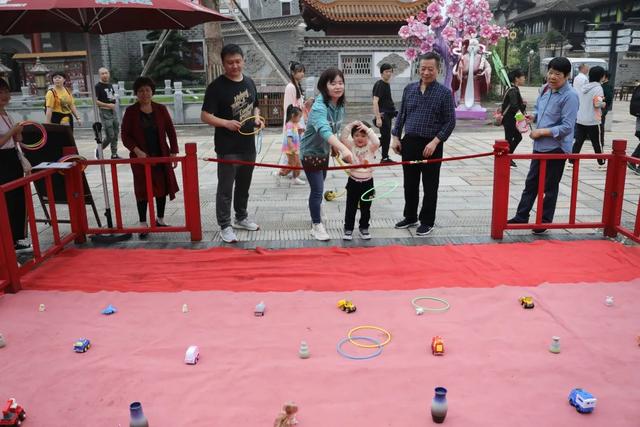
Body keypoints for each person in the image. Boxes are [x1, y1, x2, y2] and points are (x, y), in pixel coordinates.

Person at [201, 44, 264, 244]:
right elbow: (205, 116)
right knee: (226, 187)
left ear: (243, 61)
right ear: (223, 63)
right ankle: (225, 225)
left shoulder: (249, 82)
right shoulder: (216, 87)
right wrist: (225, 123)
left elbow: (256, 106)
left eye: (237, 61)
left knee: (244, 185)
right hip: (227, 147)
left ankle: (241, 217)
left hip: (248, 145)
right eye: (230, 63)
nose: (234, 66)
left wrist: (257, 118)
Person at [508, 57, 580, 234]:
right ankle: (521, 215)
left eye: (557, 74)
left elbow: (567, 126)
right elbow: (541, 111)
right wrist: (533, 117)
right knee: (531, 182)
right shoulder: (545, 89)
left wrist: (541, 132)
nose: (552, 77)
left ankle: (543, 220)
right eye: (550, 72)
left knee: (549, 186)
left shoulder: (570, 96)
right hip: (540, 146)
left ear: (567, 76)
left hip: (557, 148)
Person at [391, 52, 456, 236]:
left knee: (430, 185)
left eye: (430, 69)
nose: (426, 72)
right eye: (423, 68)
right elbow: (401, 114)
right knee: (409, 183)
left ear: (438, 70)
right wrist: (396, 137)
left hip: (431, 144)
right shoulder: (409, 89)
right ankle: (410, 216)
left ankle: (427, 220)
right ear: (418, 68)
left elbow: (450, 122)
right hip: (409, 142)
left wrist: (435, 142)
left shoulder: (444, 93)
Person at [121, 76, 179, 239]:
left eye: (147, 90)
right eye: (140, 91)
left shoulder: (160, 109)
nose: (144, 93)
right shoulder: (131, 111)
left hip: (160, 154)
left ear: (152, 91)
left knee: (161, 188)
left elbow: (171, 131)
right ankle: (142, 223)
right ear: (136, 93)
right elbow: (125, 135)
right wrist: (137, 151)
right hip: (141, 158)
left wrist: (173, 151)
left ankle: (159, 219)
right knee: (142, 190)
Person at [300, 67, 353, 241]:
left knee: (319, 186)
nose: (338, 86)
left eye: (340, 83)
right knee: (317, 190)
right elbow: (323, 129)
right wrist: (344, 149)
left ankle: (317, 211)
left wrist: (335, 147)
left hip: (323, 152)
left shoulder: (339, 105)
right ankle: (316, 225)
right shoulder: (319, 106)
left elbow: (334, 129)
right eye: (333, 83)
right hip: (310, 152)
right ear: (324, 86)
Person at [0, 79, 31, 252]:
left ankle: (17, 237)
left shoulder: (6, 114)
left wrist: (18, 133)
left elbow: (17, 140)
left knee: (18, 198)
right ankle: (6, 239)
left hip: (13, 157)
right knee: (7, 200)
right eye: (0, 92)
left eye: (6, 91)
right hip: (1, 160)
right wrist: (13, 131)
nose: (4, 96)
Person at [340, 121, 380, 241]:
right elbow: (342, 138)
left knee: (366, 208)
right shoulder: (351, 145)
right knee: (350, 207)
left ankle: (364, 227)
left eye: (363, 136)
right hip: (353, 182)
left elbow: (377, 141)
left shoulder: (371, 147)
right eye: (357, 135)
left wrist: (367, 129)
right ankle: (348, 229)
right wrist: (350, 125)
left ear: (367, 137)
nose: (360, 138)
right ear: (353, 137)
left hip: (368, 182)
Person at [570, 65, 606, 168]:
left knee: (578, 141)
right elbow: (597, 104)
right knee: (597, 142)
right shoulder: (598, 88)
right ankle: (601, 161)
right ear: (601, 76)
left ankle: (571, 160)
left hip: (581, 118)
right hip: (594, 120)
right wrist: (603, 104)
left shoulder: (584, 87)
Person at [276, 61, 306, 183]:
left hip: (298, 119)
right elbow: (290, 107)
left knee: (293, 148)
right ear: (293, 73)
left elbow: (297, 105)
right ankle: (290, 171)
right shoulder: (291, 87)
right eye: (299, 71)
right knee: (291, 147)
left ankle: (285, 170)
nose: (302, 74)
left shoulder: (297, 85)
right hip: (293, 122)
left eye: (303, 71)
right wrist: (295, 124)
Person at [501, 69, 527, 168]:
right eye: (522, 76)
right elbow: (514, 106)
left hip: (510, 118)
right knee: (513, 138)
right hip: (510, 119)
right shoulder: (513, 90)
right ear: (517, 78)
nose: (524, 78)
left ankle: (508, 157)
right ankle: (507, 157)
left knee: (513, 138)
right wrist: (522, 119)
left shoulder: (512, 88)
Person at [95, 67, 121, 159]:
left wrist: (113, 102)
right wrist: (107, 105)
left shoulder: (110, 85)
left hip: (113, 111)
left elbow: (112, 96)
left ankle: (114, 154)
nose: (105, 75)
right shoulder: (97, 86)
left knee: (116, 133)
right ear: (99, 75)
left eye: (106, 73)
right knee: (110, 135)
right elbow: (95, 101)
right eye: (102, 73)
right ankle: (99, 149)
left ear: (109, 74)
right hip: (105, 112)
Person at [372, 63, 396, 163]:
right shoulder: (380, 85)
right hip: (383, 115)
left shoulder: (386, 84)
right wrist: (378, 117)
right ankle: (368, 148)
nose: (389, 74)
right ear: (382, 73)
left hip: (388, 114)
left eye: (390, 71)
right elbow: (375, 101)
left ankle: (384, 157)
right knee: (385, 137)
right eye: (386, 72)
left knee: (386, 137)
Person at [276, 105, 305, 184]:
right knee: (293, 164)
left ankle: (294, 177)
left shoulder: (295, 123)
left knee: (296, 164)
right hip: (290, 148)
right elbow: (289, 138)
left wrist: (300, 131)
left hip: (294, 147)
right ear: (293, 116)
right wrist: (292, 147)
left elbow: (296, 133)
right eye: (299, 117)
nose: (300, 119)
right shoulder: (290, 125)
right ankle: (282, 173)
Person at [600, 70, 613, 147]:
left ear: (605, 77)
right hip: (602, 109)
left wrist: (601, 98)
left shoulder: (606, 86)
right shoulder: (603, 86)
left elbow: (608, 98)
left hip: (602, 109)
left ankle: (601, 142)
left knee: (601, 127)